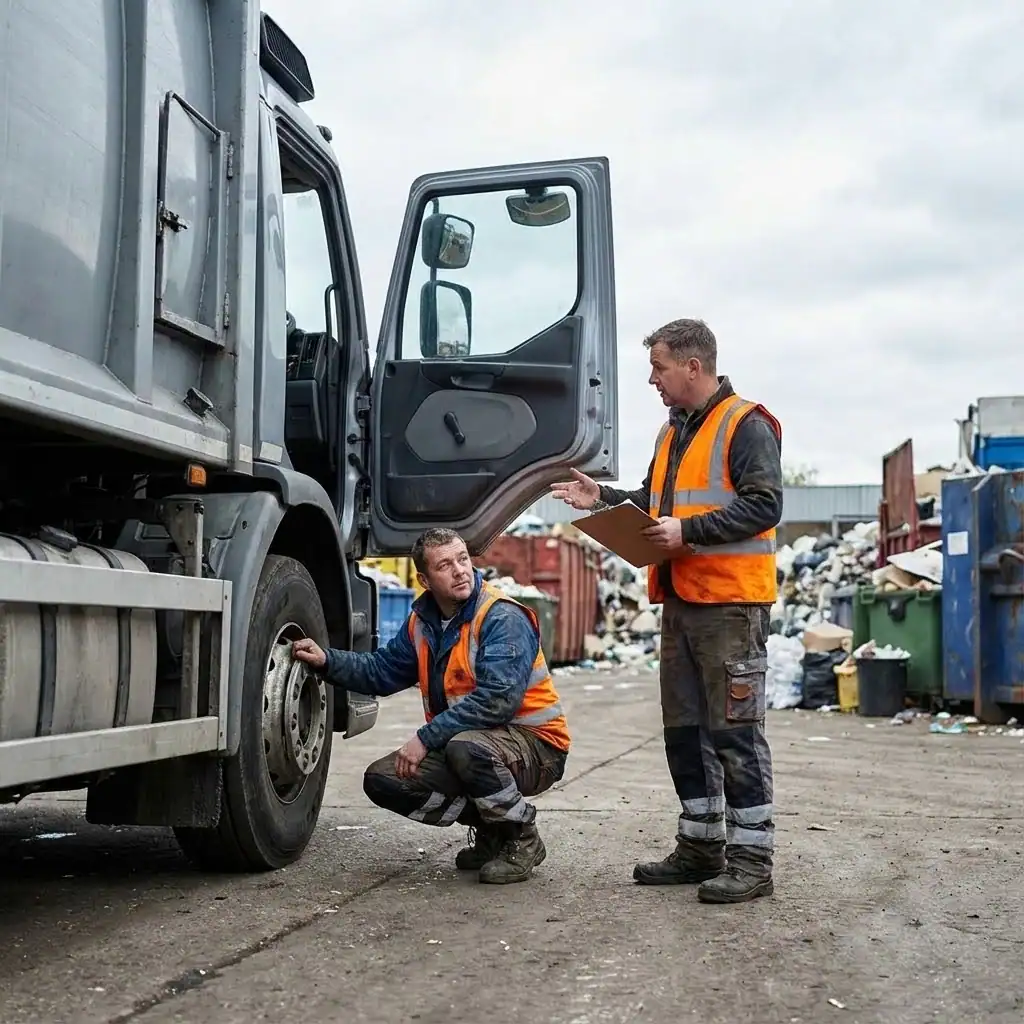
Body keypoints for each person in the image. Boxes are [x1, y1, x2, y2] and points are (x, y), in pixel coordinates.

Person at [550, 318, 783, 904]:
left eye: (658, 367)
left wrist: (691, 534)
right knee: (684, 732)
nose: (652, 379)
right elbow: (654, 503)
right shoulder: (673, 430)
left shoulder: (746, 424)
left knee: (735, 734)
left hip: (731, 607)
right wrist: (601, 497)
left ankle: (752, 861)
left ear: (693, 367)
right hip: (680, 603)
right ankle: (701, 847)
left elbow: (765, 504)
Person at [292, 528, 570, 885]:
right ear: (424, 579)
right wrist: (326, 660)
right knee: (385, 780)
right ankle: (493, 829)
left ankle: (520, 835)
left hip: (538, 748)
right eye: (445, 565)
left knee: (465, 748)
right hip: (471, 745)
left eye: (463, 559)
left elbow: (497, 702)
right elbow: (382, 671)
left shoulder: (501, 617)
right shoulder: (423, 624)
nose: (460, 571)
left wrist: (425, 738)